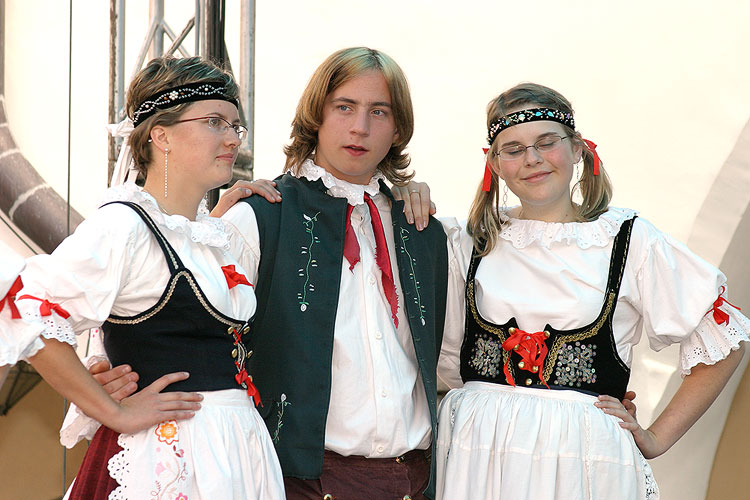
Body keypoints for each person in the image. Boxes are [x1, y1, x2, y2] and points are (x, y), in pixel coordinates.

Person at [62, 47, 457, 500]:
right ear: (315, 117)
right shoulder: (258, 216)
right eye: (344, 107)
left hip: (416, 479)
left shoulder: (424, 227)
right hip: (300, 479)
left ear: (398, 127)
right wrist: (108, 378)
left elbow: (449, 357)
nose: (360, 127)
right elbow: (166, 317)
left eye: (379, 111)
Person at [419, 82, 749, 500]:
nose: (532, 159)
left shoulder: (629, 240)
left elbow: (725, 339)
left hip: (582, 459)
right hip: (476, 451)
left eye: (546, 142)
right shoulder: (468, 242)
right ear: (495, 164)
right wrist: (411, 193)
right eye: (514, 148)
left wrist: (656, 438)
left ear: (577, 149)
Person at [14, 56, 285, 499]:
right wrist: (112, 411)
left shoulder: (208, 234)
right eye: (215, 121)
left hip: (235, 453)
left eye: (237, 125)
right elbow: (24, 308)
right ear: (161, 136)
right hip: (166, 457)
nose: (233, 138)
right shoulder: (123, 225)